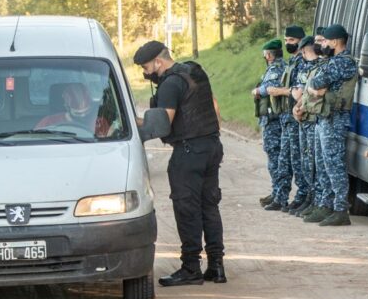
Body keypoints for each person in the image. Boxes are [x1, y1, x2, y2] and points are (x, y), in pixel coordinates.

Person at [133, 40, 228, 286]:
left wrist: (134, 123)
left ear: (158, 62)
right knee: (209, 206)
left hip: (188, 152)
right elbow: (215, 108)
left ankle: (191, 267)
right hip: (211, 145)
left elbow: (162, 123)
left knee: (187, 209)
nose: (145, 73)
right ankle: (216, 266)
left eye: (146, 67)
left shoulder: (170, 83)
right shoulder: (194, 71)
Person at [303, 23, 358, 227]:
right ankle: (325, 205)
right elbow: (315, 84)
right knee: (323, 164)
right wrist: (316, 89)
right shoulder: (333, 61)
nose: (322, 44)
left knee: (334, 164)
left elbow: (317, 83)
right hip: (325, 116)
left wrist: (317, 89)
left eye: (325, 41)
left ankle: (340, 209)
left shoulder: (342, 62)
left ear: (335, 42)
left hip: (335, 118)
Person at [263, 25, 309, 211]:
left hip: (296, 118)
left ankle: (301, 197)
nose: (287, 43)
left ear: (300, 41)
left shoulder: (303, 62)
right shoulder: (292, 62)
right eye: (286, 40)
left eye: (291, 40)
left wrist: (279, 91)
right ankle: (280, 196)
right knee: (284, 161)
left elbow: (298, 90)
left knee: (297, 162)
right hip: (285, 118)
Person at [289, 35, 322, 217]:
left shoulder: (320, 66)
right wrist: (296, 107)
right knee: (305, 162)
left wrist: (298, 102)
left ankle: (315, 200)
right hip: (303, 117)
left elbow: (302, 92)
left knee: (313, 163)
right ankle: (309, 198)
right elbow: (296, 91)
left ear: (303, 50)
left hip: (312, 119)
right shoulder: (305, 67)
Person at [253, 39, 285, 207]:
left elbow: (271, 87)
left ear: (270, 55)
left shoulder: (276, 69)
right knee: (274, 158)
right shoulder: (276, 67)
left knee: (275, 158)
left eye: (265, 55)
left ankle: (279, 194)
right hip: (271, 119)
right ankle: (276, 192)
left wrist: (258, 90)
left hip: (274, 121)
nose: (265, 57)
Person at [35, 81, 110, 137]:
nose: (82, 115)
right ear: (66, 106)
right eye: (77, 113)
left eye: (86, 111)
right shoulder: (48, 122)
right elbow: (35, 141)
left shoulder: (99, 123)